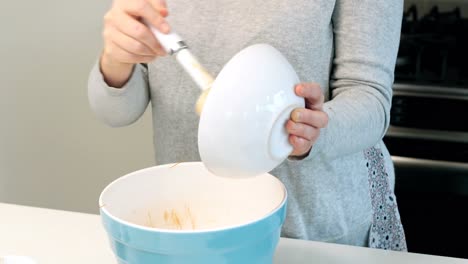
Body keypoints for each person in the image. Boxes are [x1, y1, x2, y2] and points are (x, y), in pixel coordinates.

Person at [88, 0, 407, 250]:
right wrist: (117, 59)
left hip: (316, 230)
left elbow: (370, 97)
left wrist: (310, 132)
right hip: (195, 225)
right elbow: (116, 112)